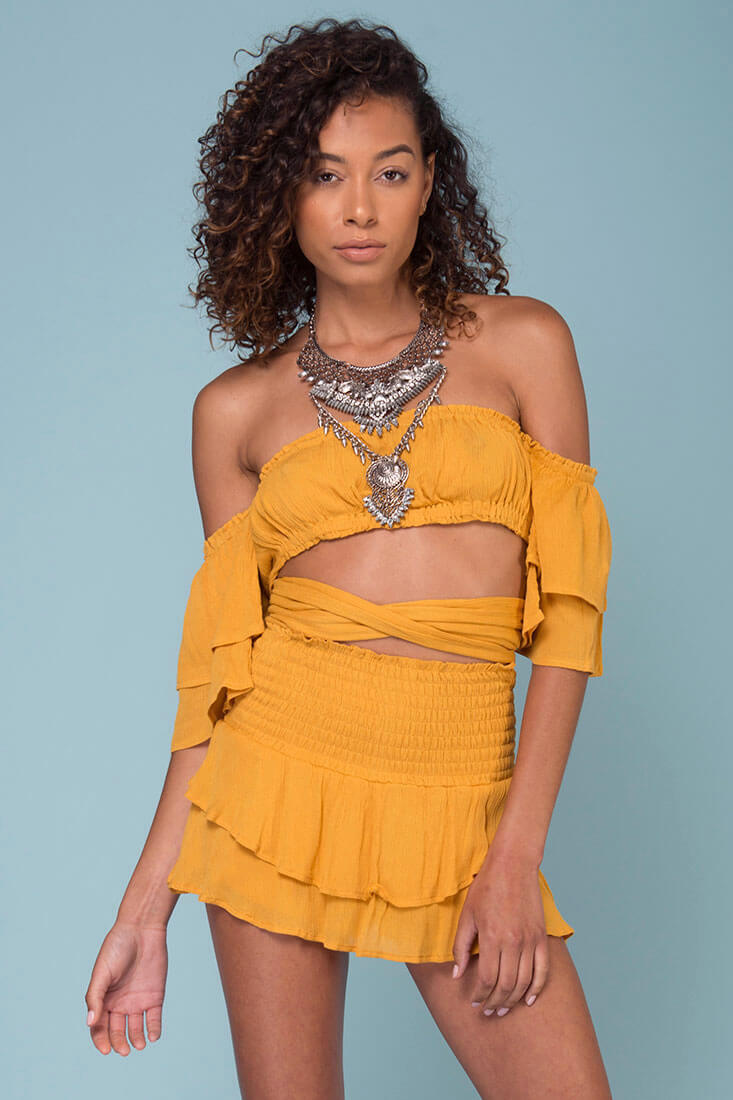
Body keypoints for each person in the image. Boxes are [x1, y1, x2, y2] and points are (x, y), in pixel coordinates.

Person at [84, 17, 613, 1099]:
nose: (359, 207)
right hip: (274, 795)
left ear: (430, 185)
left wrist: (515, 854)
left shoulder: (525, 345)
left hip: (464, 805)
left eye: (390, 171)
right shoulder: (235, 411)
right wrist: (145, 909)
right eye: (325, 175)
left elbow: (570, 620)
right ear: (281, 196)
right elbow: (221, 681)